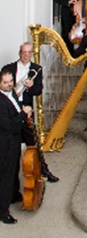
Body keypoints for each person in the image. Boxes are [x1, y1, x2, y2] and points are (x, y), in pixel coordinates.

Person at [0, 68, 33, 224]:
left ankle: (13, 195)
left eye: (11, 81)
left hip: (14, 141)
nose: (9, 84)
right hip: (5, 145)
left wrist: (23, 111)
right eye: (5, 82)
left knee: (14, 171)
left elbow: (15, 109)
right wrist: (23, 113)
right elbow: (9, 126)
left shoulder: (11, 92)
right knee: (5, 177)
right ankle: (3, 211)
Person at [2, 42, 43, 109]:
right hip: (9, 105)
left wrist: (31, 87)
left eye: (29, 52)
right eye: (24, 52)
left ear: (32, 53)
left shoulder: (37, 69)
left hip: (27, 106)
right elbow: (2, 87)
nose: (26, 55)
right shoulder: (8, 68)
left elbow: (38, 91)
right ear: (19, 53)